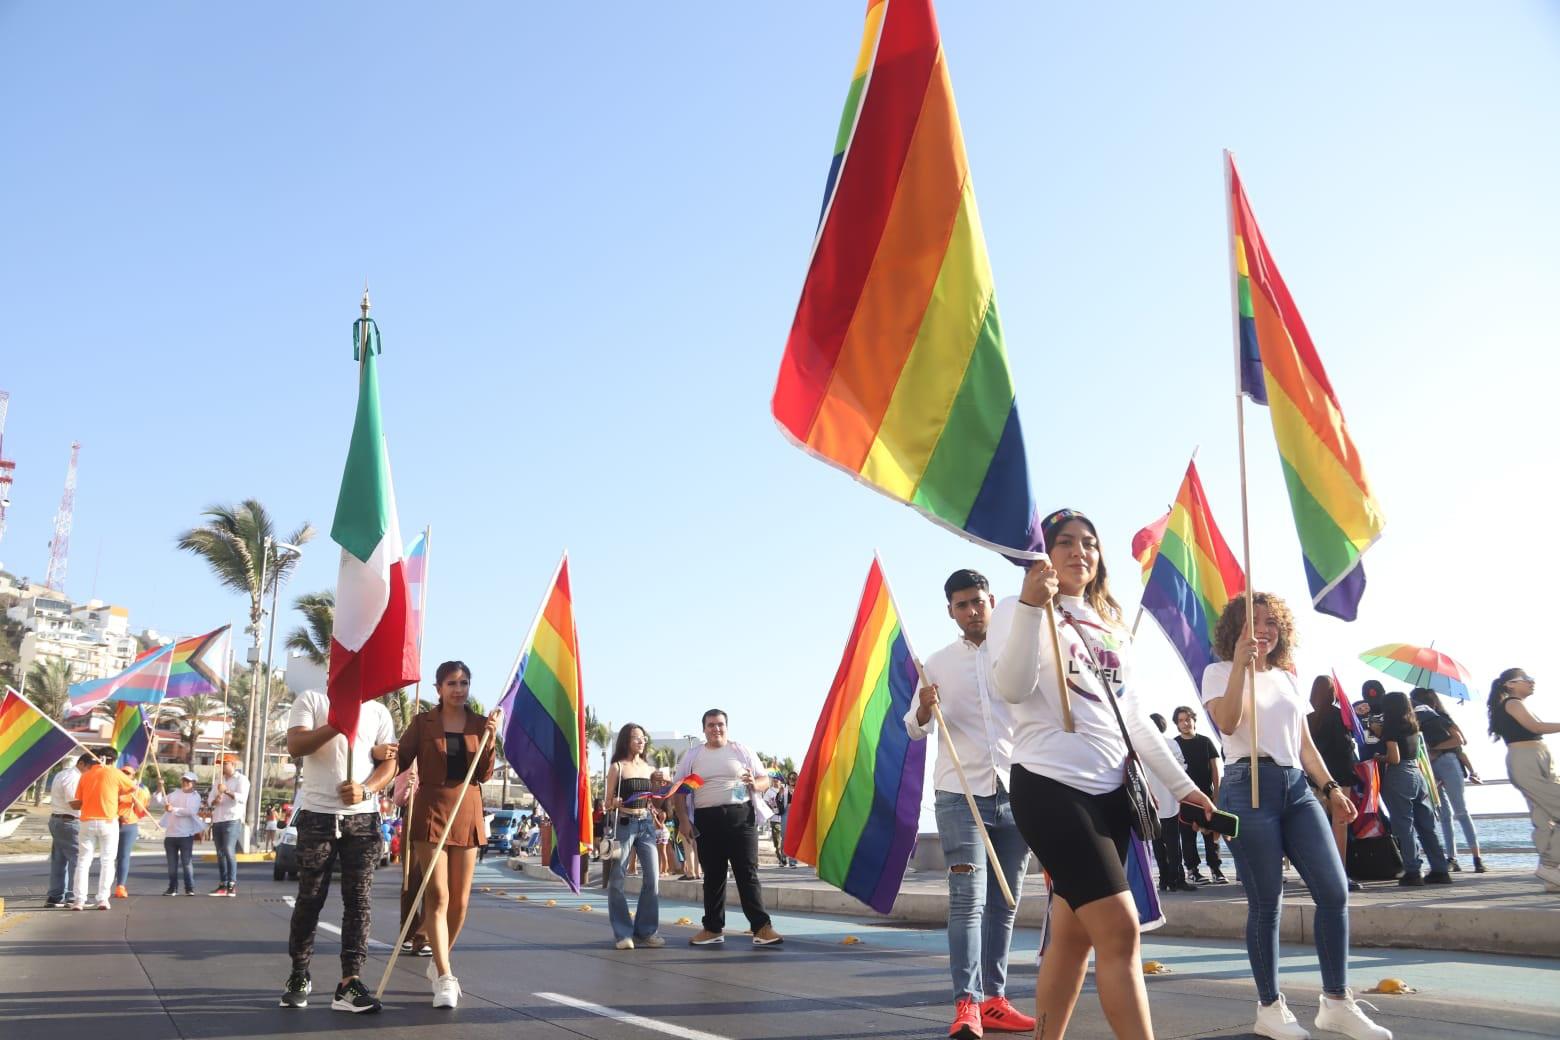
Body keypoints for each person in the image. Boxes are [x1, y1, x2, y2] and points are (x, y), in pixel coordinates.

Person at [990, 510, 1213, 1040]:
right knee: (1120, 930)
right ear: (1044, 553)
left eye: (1089, 543)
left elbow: (1133, 718)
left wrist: (1185, 788)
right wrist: (1028, 605)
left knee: (1071, 940)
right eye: (1064, 542)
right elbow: (1013, 688)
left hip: (1112, 798)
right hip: (1050, 788)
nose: (1078, 552)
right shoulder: (1015, 610)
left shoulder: (1108, 625)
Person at [1204, 593, 1390, 1040]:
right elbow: (1227, 723)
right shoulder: (1218, 672)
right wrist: (1239, 668)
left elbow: (1304, 745)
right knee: (1267, 903)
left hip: (1295, 788)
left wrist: (1329, 790)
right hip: (1245, 786)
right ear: (1236, 629)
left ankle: (1337, 1003)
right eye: (1253, 622)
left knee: (1334, 890)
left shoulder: (1287, 677)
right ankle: (1269, 1007)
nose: (1263, 629)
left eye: (1271, 622)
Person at [905, 567, 1037, 1040]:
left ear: (992, 603)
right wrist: (923, 707)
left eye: (978, 601)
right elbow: (913, 727)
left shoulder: (1017, 653)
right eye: (962, 604)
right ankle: (968, 1003)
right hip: (960, 795)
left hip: (1018, 791)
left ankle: (996, 1000)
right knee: (968, 901)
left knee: (1006, 900)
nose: (972, 610)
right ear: (951, 611)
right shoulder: (934, 664)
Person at [280, 688, 398, 1013]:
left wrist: (366, 789)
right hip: (317, 815)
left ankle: (350, 983)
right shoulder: (312, 699)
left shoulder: (378, 711)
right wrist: (337, 724)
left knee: (359, 901)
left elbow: (390, 764)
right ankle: (299, 974)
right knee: (310, 898)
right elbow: (296, 746)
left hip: (362, 819)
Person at [396, 661, 502, 1008]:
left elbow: (484, 774)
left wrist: (491, 738)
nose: (459, 689)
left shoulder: (479, 723)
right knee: (438, 895)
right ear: (438, 688)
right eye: (452, 683)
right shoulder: (423, 723)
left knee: (461, 901)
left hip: (467, 810)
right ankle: (445, 975)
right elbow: (400, 757)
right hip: (432, 810)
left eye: (464, 682)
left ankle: (437, 960)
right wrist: (384, 758)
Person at [672, 709, 783, 946]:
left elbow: (764, 780)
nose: (716, 729)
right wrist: (683, 820)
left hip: (740, 817)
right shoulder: (693, 756)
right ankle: (712, 929)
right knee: (713, 876)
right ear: (704, 729)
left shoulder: (741, 751)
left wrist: (756, 783)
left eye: (720, 724)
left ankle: (762, 928)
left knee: (747, 874)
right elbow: (679, 792)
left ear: (727, 727)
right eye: (711, 725)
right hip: (706, 819)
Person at [1486, 669, 1560, 891]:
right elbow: (1535, 728)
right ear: (1510, 685)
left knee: (1543, 815)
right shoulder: (1512, 703)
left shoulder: (1517, 704)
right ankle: (1550, 864)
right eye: (1526, 680)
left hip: (1535, 757)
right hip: (1527, 759)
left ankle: (1551, 874)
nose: (1531, 682)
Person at [1377, 689, 1451, 887]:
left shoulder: (1391, 729)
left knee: (1404, 825)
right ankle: (1440, 869)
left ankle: (1413, 870)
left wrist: (1379, 757)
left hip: (1399, 775)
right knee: (1426, 825)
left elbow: (1394, 758)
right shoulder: (1414, 727)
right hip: (1418, 775)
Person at [603, 722, 667, 950]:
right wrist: (615, 802)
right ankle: (622, 933)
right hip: (624, 824)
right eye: (636, 738)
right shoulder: (617, 768)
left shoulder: (649, 769)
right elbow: (607, 802)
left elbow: (656, 800)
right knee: (617, 878)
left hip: (646, 824)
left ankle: (646, 931)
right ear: (626, 741)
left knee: (653, 878)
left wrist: (659, 788)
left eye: (643, 738)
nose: (641, 742)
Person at [1410, 687, 1484, 873]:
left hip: (1446, 761)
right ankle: (1452, 858)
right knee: (1444, 814)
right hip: (1431, 765)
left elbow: (1459, 741)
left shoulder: (1440, 718)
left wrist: (1434, 748)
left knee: (1459, 811)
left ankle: (1476, 857)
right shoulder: (1420, 720)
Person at [1307, 676, 1364, 891]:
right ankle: (1340, 873)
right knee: (1339, 825)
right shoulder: (1342, 716)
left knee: (1316, 827)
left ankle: (1317, 873)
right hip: (1340, 776)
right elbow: (1347, 749)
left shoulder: (1309, 719)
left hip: (1315, 778)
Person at [70, 754, 136, 910]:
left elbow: (78, 800)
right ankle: (102, 899)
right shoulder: (114, 773)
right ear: (111, 760)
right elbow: (132, 787)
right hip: (107, 821)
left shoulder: (85, 776)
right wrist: (114, 791)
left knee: (83, 861)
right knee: (107, 861)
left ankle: (79, 900)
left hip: (87, 821)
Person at [1172, 705, 1227, 885]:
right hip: (1184, 798)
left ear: (1194, 720)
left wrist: (1217, 795)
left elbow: (1215, 770)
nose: (1185, 723)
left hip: (1207, 795)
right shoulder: (1174, 744)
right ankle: (1193, 870)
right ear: (1177, 724)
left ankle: (1215, 868)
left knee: (1210, 834)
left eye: (1188, 719)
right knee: (1188, 836)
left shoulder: (1206, 742)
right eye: (1180, 720)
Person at [1148, 714, 1194, 894]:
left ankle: (1164, 880)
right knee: (1174, 843)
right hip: (1170, 800)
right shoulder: (1171, 744)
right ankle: (1178, 879)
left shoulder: (1140, 746)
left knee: (1157, 844)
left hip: (1151, 803)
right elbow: (1182, 769)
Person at [44, 754, 92, 908]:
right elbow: (74, 803)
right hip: (69, 821)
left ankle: (55, 896)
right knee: (77, 860)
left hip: (59, 820)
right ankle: (73, 895)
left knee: (59, 860)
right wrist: (94, 801)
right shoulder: (73, 778)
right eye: (89, 767)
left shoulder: (62, 774)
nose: (90, 771)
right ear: (81, 763)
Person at [207, 756, 250, 897]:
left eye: (225, 764)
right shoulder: (218, 781)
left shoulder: (241, 779)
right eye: (221, 764)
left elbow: (242, 798)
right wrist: (215, 800)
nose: (223, 767)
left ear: (233, 764)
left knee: (228, 849)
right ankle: (223, 884)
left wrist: (226, 791)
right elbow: (209, 801)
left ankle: (232, 884)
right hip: (218, 819)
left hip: (232, 819)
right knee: (220, 853)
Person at [156, 771, 204, 894]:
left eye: (188, 781)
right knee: (172, 865)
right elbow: (160, 800)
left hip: (185, 835)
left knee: (187, 863)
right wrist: (160, 787)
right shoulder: (175, 794)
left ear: (194, 783)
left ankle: (189, 888)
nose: (185, 783)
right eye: (184, 780)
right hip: (171, 835)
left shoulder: (195, 796)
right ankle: (172, 888)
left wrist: (173, 809)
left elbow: (190, 811)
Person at [112, 764, 151, 899]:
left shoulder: (139, 791)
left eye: (128, 773)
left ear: (133, 775)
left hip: (129, 825)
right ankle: (105, 886)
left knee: (123, 856)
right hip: (112, 824)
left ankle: (120, 886)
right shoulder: (113, 788)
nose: (125, 775)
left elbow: (141, 813)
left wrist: (138, 801)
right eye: (123, 772)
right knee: (110, 857)